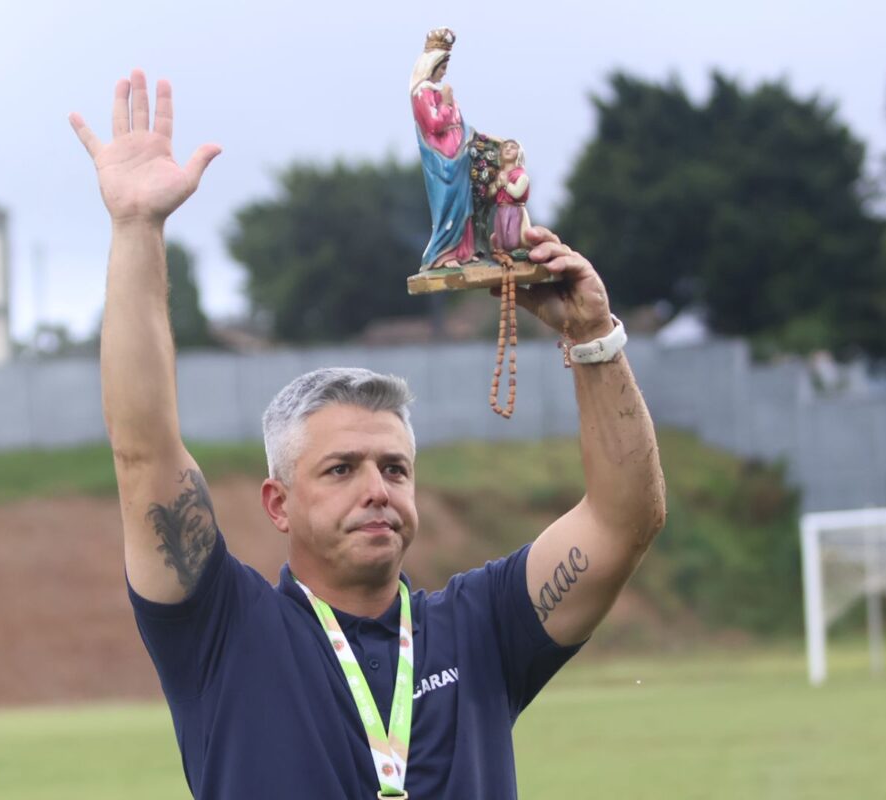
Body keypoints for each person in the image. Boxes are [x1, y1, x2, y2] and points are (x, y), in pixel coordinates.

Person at [71, 70, 666, 800]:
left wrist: (593, 339)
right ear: (278, 502)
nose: (377, 489)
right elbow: (143, 453)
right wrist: (137, 228)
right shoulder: (223, 629)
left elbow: (625, 520)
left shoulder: (482, 629)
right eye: (340, 469)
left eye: (395, 468)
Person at [411, 28, 477, 270]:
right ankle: (444, 254)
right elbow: (434, 124)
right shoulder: (422, 92)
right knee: (448, 206)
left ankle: (464, 251)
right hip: (443, 160)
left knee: (464, 204)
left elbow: (458, 120)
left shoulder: (440, 90)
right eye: (442, 66)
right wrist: (447, 104)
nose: (445, 71)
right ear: (431, 65)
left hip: (459, 155)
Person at [490, 139, 531, 252]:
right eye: (505, 147)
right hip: (501, 209)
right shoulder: (499, 174)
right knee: (500, 239)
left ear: (519, 153)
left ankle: (517, 255)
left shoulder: (521, 176)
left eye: (512, 147)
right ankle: (503, 255)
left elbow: (517, 193)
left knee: (513, 240)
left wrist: (506, 183)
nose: (508, 149)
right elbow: (490, 193)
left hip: (515, 210)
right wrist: (497, 185)